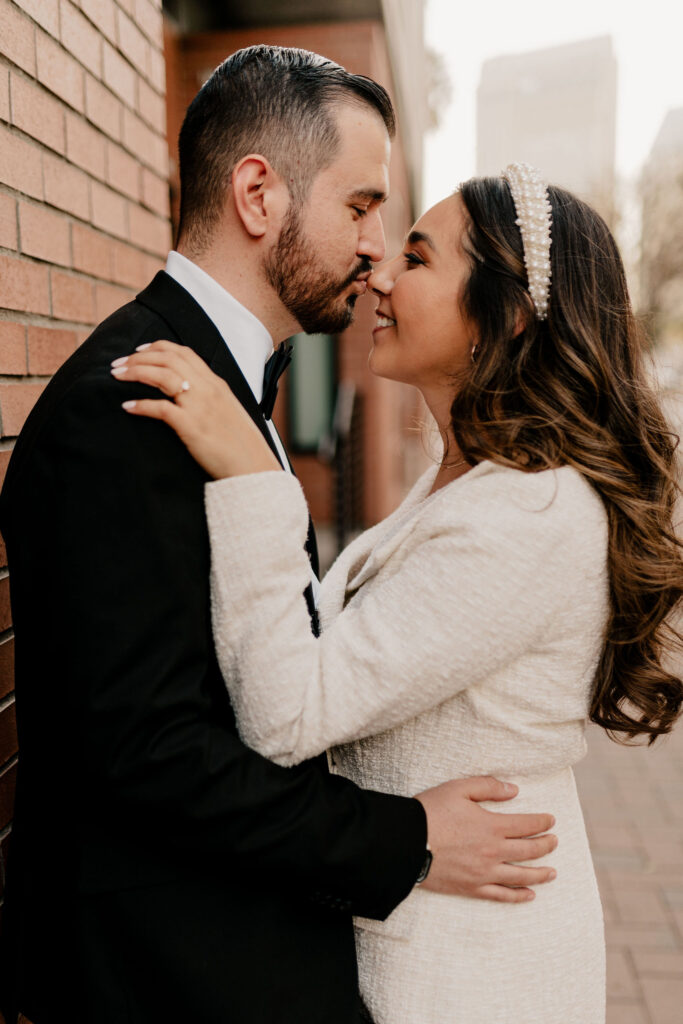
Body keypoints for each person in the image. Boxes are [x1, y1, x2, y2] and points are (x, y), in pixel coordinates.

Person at [0, 50, 558, 1024]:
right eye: (359, 207)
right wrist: (408, 834)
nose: (377, 249)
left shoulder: (226, 385)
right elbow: (151, 751)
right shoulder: (121, 407)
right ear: (258, 194)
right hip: (161, 979)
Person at [113, 163, 683, 1024]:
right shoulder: (471, 482)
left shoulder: (526, 514)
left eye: (415, 259)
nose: (378, 274)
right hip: (429, 933)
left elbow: (288, 714)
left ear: (508, 313)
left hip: (470, 973)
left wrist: (250, 473)